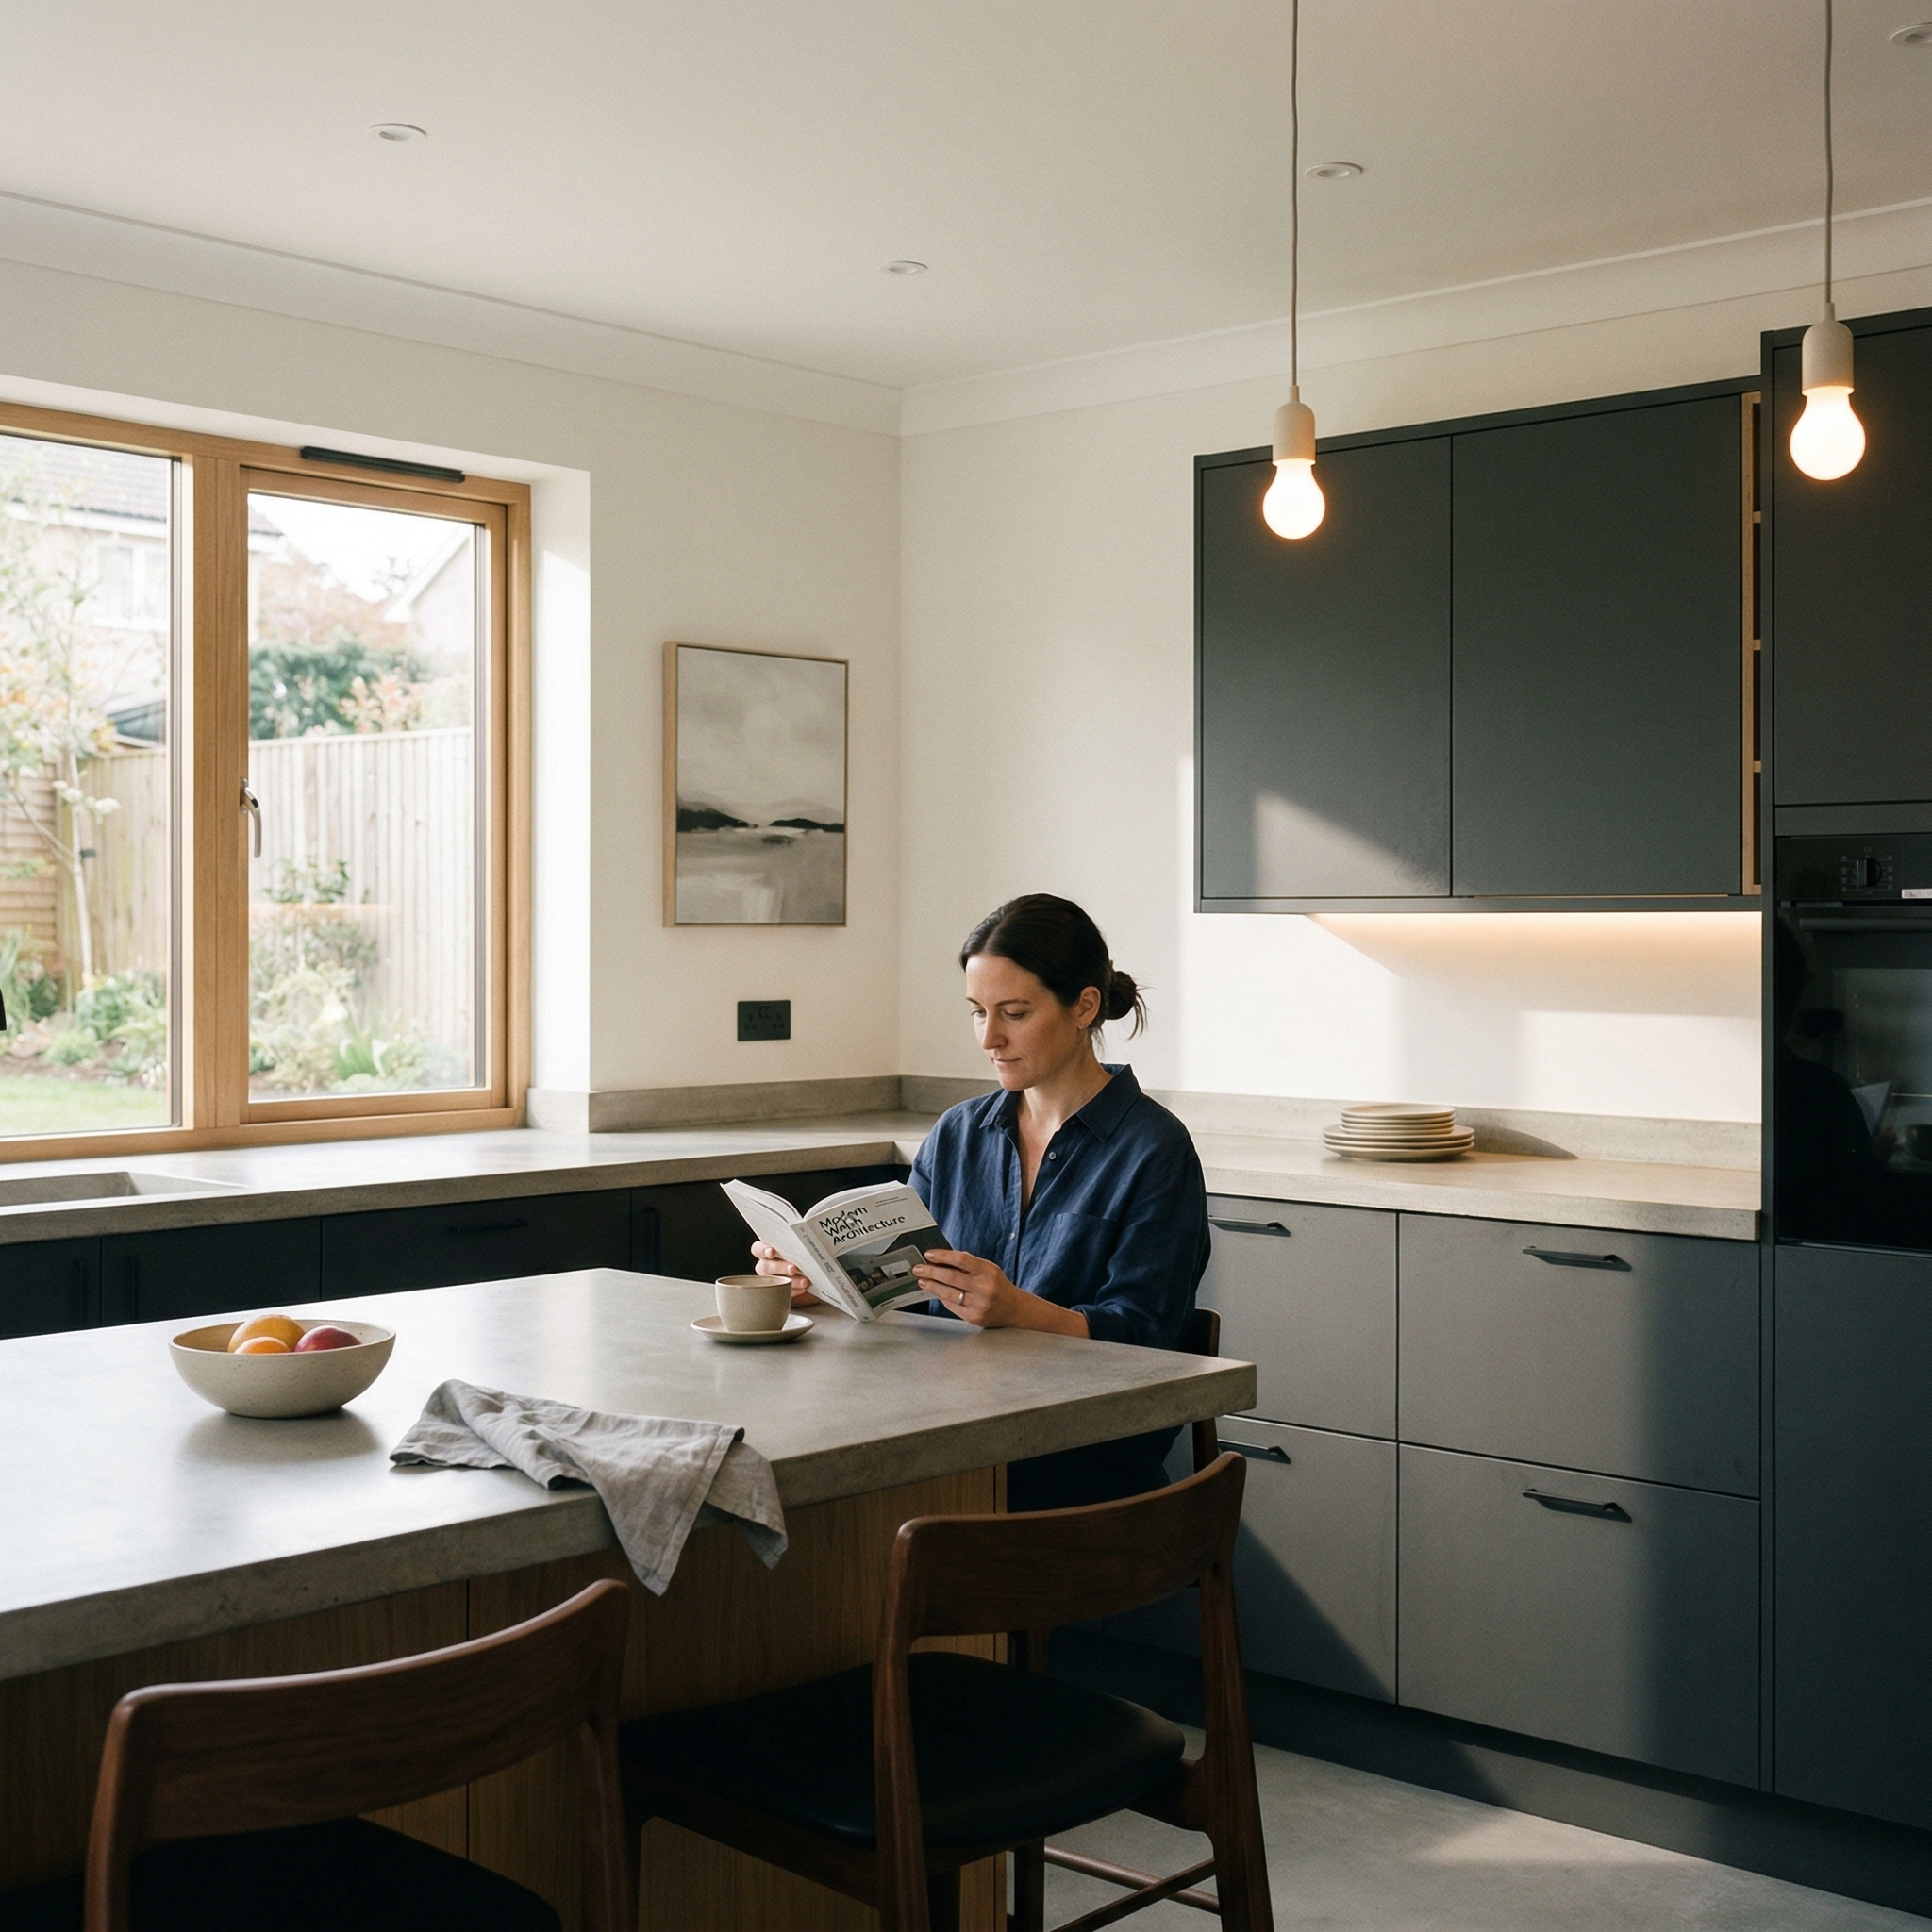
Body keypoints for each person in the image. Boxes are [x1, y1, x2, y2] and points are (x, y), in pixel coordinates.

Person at [754, 893, 1210, 1511]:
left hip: (1076, 1465)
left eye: (1014, 1013)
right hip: (945, 1430)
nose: (989, 1037)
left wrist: (1022, 1311)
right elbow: (901, 1286)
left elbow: (1148, 1343)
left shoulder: (1155, 1150)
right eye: (977, 1012)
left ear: (1085, 1006)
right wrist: (820, 1282)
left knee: (838, 1516)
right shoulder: (959, 1133)